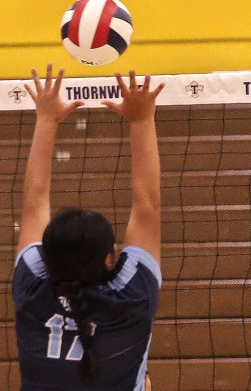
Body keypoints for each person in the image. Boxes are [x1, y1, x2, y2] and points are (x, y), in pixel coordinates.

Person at [13, 64, 164, 390]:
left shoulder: (32, 287)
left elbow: (33, 202)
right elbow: (147, 206)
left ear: (46, 257)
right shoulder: (133, 295)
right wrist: (142, 119)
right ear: (110, 260)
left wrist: (45, 119)